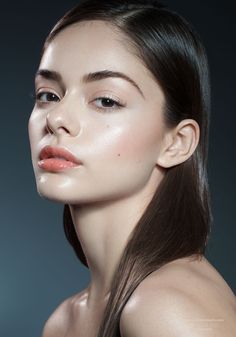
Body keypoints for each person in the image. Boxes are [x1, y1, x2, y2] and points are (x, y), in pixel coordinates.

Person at [28, 0, 236, 336]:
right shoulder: (63, 322)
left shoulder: (167, 308)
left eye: (106, 100)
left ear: (177, 142)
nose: (56, 119)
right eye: (48, 94)